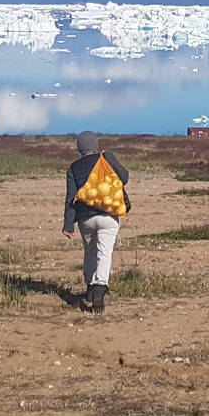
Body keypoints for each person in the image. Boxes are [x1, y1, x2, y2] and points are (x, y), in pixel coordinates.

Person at [62, 130, 130, 314]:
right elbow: (124, 178)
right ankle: (100, 288)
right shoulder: (106, 158)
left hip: (85, 218)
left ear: (79, 148)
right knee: (104, 252)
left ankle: (90, 288)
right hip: (108, 215)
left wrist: (68, 225)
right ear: (95, 144)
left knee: (90, 252)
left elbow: (70, 198)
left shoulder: (73, 168)